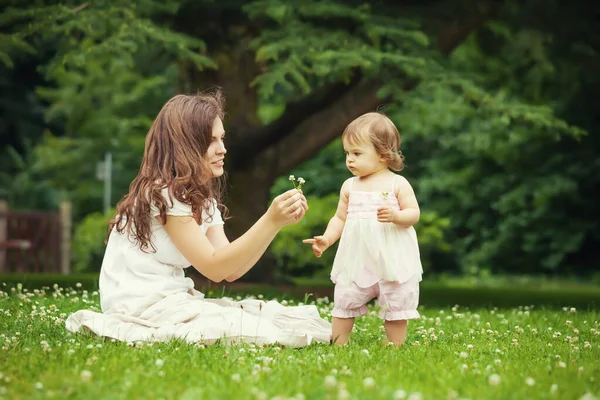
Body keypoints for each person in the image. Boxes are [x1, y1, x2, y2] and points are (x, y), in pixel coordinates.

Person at [66, 89, 331, 347]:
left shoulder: (202, 200)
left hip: (170, 298)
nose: (223, 149)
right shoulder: (164, 194)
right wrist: (270, 220)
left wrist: (277, 224)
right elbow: (214, 267)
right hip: (139, 304)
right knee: (240, 324)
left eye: (222, 138)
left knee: (262, 317)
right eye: (211, 141)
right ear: (185, 146)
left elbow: (231, 269)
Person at [303, 112, 423, 346]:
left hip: (391, 257)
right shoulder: (350, 186)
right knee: (346, 296)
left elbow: (414, 214)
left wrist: (397, 216)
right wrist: (327, 239)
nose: (349, 159)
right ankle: (339, 343)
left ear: (383, 154)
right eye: (347, 153)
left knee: (395, 299)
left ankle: (395, 344)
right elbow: (339, 218)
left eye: (357, 153)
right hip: (357, 258)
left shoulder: (397, 183)